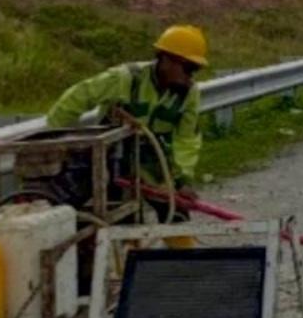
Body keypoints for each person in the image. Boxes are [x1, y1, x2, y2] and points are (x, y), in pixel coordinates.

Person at [46, 25, 208, 201]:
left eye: (195, 70)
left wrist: (183, 179)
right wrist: (53, 141)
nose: (190, 76)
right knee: (100, 203)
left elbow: (187, 140)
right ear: (166, 60)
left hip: (152, 159)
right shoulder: (126, 78)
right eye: (189, 68)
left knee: (176, 209)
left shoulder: (188, 94)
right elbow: (77, 98)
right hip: (111, 155)